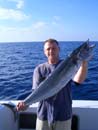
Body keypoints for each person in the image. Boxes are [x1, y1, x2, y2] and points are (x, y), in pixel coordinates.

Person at [17, 38, 89, 130]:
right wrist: (26, 104)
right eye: (48, 49)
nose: (51, 51)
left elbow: (78, 81)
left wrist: (84, 63)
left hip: (63, 115)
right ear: (44, 52)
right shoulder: (39, 69)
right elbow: (36, 92)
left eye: (54, 48)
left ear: (59, 49)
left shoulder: (68, 64)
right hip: (43, 115)